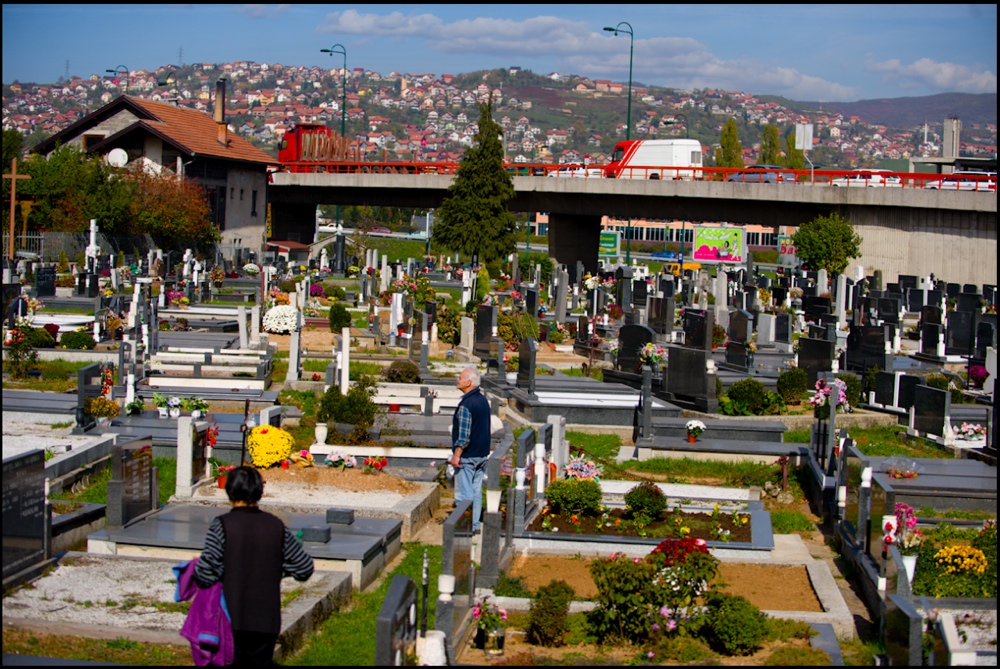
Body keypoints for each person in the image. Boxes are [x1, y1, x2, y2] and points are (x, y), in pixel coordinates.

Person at [194, 466, 314, 666]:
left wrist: (227, 572)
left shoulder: (222, 525)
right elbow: (304, 568)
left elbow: (204, 573)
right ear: (260, 492)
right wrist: (277, 570)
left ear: (229, 492)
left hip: (229, 619)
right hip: (265, 621)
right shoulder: (275, 525)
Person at [450, 366, 492, 533]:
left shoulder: (467, 404)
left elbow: (464, 435)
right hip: (481, 454)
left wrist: (457, 455)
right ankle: (474, 525)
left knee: (463, 495)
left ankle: (464, 527)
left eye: (460, 378)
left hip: (468, 456)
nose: (457, 380)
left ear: (468, 382)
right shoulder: (482, 400)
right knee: (475, 492)